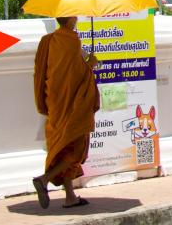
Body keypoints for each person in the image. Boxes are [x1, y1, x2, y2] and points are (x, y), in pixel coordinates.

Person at [32, 16, 100, 209]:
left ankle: (70, 196)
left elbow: (51, 72)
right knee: (76, 149)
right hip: (72, 104)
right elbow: (76, 76)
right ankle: (44, 179)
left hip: (55, 103)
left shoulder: (49, 40)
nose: (76, 18)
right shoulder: (71, 40)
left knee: (63, 148)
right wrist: (90, 66)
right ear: (71, 19)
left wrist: (86, 61)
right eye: (75, 15)